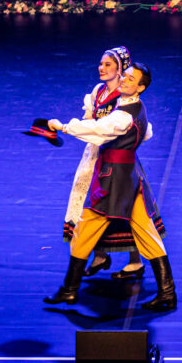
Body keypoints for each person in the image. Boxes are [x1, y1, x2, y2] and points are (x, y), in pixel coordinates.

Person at [44, 63, 177, 312]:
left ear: (141, 87)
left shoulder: (124, 115)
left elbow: (99, 130)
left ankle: (70, 290)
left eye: (130, 79)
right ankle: (167, 293)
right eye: (124, 76)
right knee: (146, 232)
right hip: (130, 176)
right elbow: (146, 133)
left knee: (85, 229)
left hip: (114, 180)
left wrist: (62, 126)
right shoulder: (133, 108)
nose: (124, 80)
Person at [64, 47, 158, 281]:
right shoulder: (98, 92)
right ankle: (100, 254)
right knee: (90, 203)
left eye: (108, 65)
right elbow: (91, 119)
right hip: (95, 152)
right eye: (101, 64)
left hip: (116, 156)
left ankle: (135, 261)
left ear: (120, 70)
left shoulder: (126, 97)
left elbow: (144, 130)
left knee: (123, 210)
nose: (102, 68)